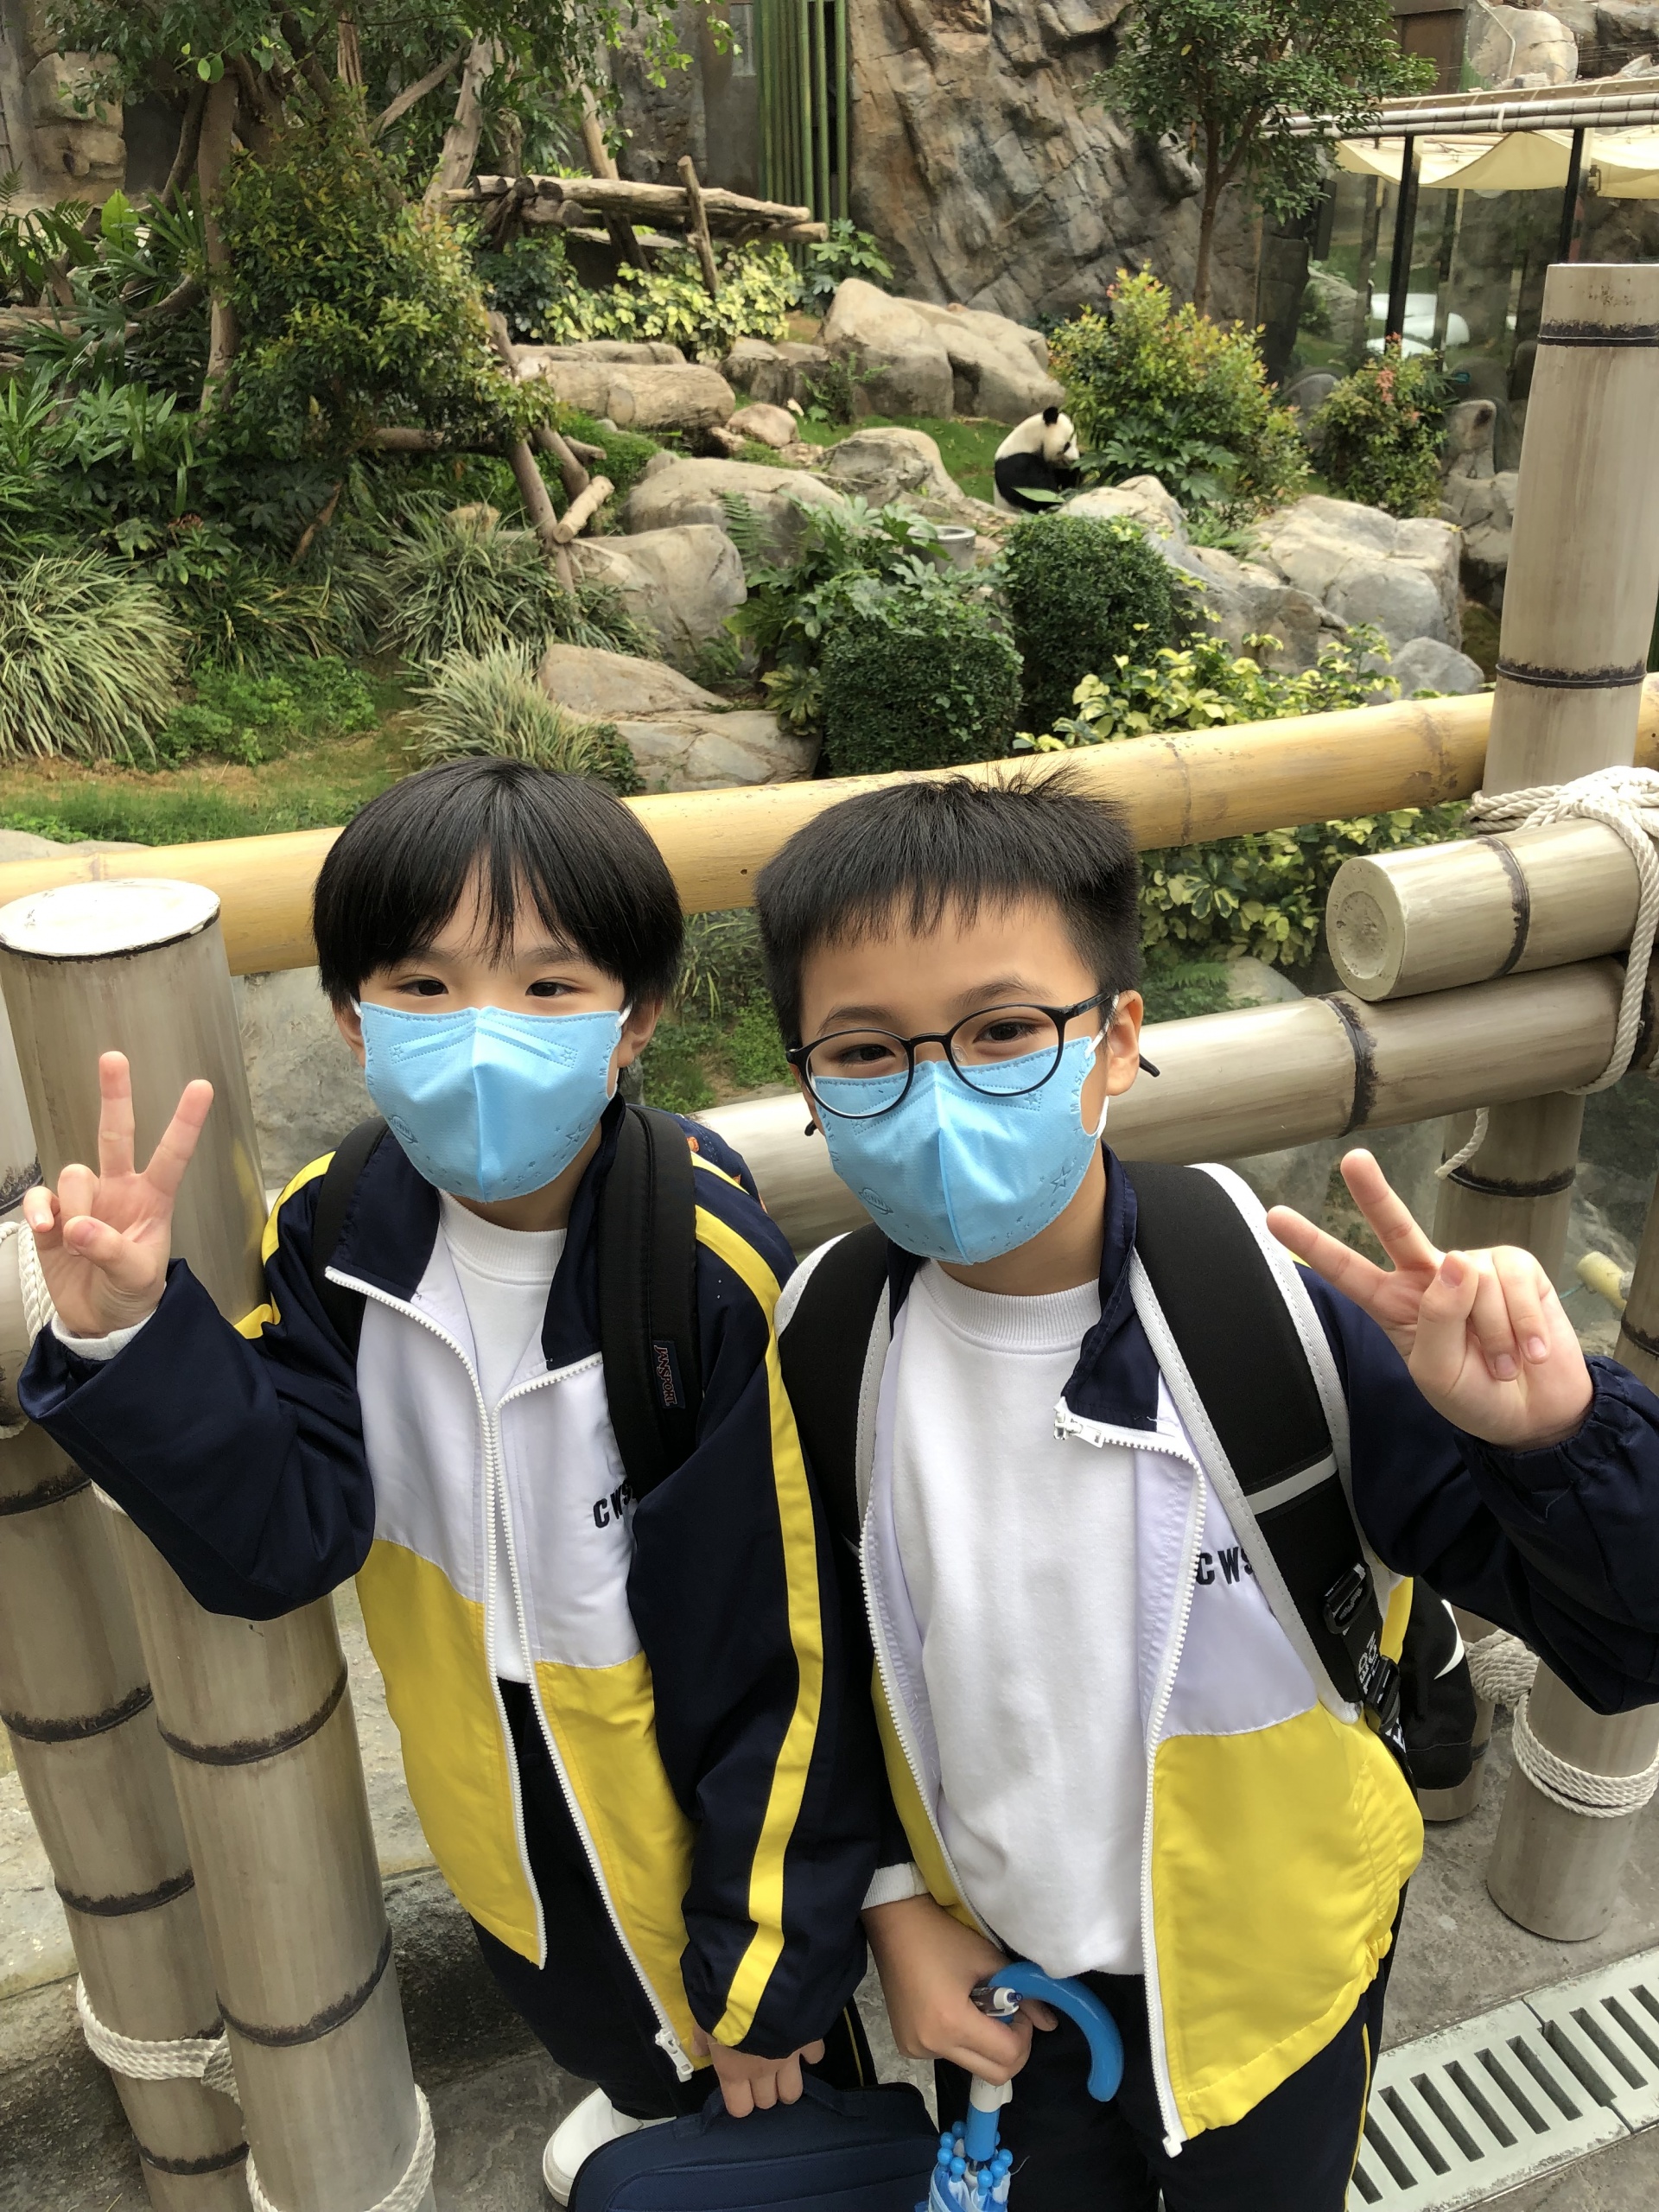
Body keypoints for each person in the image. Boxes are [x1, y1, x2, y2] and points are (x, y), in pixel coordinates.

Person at [752, 769, 1659, 2212]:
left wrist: (1554, 1438)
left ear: (1116, 1039)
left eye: (1002, 1029)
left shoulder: (1267, 1312)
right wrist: (892, 1910)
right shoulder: (825, 1339)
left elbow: (1629, 1636)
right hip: (1010, 1997)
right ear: (809, 1086)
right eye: (865, 1051)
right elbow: (809, 1672)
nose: (937, 1090)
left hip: (1284, 1985)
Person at [19, 759, 880, 2204]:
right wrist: (130, 1336)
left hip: (683, 1788)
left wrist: (772, 1979)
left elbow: (787, 1656)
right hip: (480, 1761)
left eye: (548, 987)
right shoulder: (333, 1234)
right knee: (571, 1988)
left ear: (634, 1017)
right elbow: (283, 1538)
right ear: (351, 1016)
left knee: (761, 2069)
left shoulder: (703, 1275)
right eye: (423, 985)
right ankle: (642, 2102)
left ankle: (742, 2122)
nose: (484, 1031)